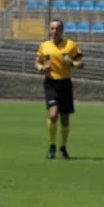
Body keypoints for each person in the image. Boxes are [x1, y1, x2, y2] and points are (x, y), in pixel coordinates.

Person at [35, 18, 83, 160]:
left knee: (65, 119)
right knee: (53, 114)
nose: (54, 31)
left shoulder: (70, 45)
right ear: (49, 30)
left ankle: (63, 148)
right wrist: (42, 68)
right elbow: (37, 63)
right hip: (51, 83)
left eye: (57, 29)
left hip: (65, 84)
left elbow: (81, 63)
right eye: (52, 28)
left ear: (62, 30)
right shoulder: (43, 46)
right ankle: (51, 146)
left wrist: (72, 63)